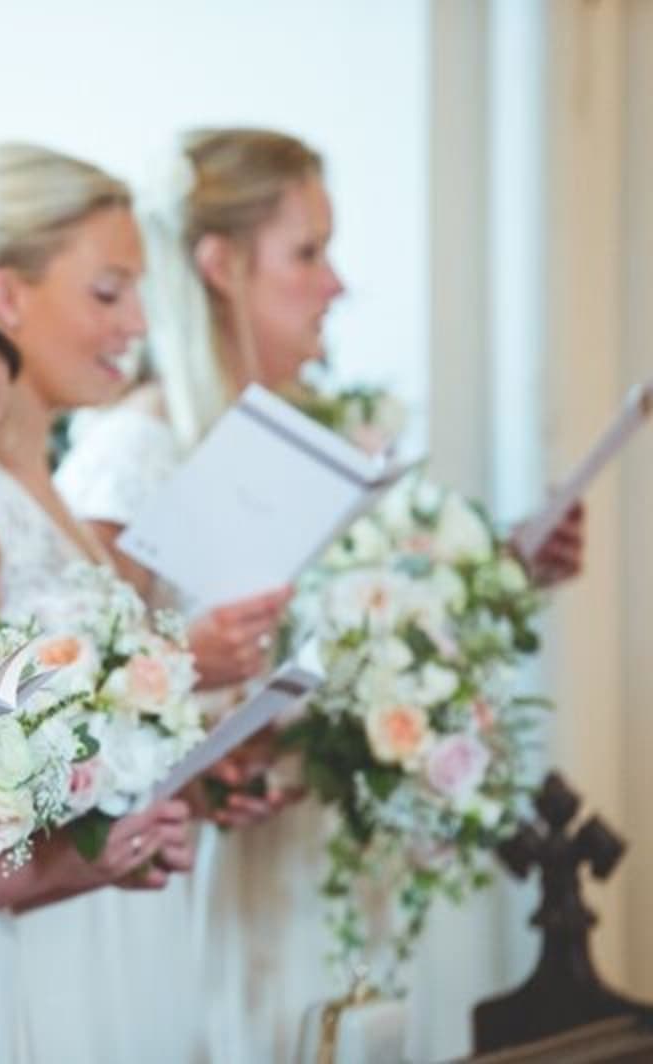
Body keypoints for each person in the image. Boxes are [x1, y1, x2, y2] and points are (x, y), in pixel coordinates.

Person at [56, 127, 584, 1061]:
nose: (335, 284)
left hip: (313, 871)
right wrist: (212, 729)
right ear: (220, 265)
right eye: (308, 253)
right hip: (206, 894)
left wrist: (485, 577)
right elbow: (88, 701)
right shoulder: (137, 451)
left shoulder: (306, 440)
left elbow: (339, 632)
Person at [0, 143, 202, 1062]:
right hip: (19, 954)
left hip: (98, 923)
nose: (138, 324)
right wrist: (78, 855)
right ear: (6, 296)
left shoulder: (48, 485)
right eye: (108, 294)